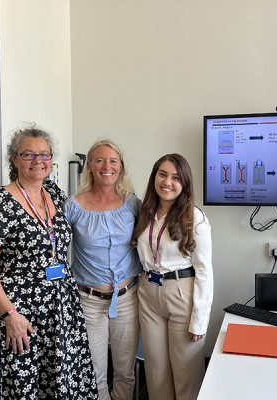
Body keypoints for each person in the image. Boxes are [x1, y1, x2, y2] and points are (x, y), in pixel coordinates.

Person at [0, 126, 98, 400]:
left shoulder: (54, 195)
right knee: (22, 383)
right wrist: (9, 315)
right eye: (28, 154)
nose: (38, 160)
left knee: (58, 379)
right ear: (14, 158)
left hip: (59, 307)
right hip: (18, 310)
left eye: (44, 154)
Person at [130, 153, 213, 400]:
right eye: (162, 174)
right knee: (156, 373)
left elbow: (205, 270)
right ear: (154, 176)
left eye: (176, 178)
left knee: (185, 374)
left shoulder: (194, 217)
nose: (167, 182)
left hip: (181, 293)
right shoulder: (145, 211)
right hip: (149, 293)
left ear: (184, 184)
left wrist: (200, 319)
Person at [64, 139, 142, 400]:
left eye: (113, 161)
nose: (106, 166)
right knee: (95, 372)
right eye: (99, 160)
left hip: (127, 299)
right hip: (88, 302)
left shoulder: (133, 204)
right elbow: (53, 247)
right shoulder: (72, 207)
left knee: (125, 372)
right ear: (89, 166)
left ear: (120, 168)